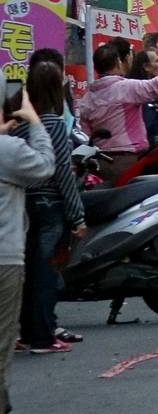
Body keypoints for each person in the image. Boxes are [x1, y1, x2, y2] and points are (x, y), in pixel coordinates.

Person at [0, 91, 54, 414]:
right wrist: (33, 120)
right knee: (2, 343)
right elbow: (44, 166)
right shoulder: (8, 150)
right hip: (5, 257)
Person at [18, 63, 84, 355]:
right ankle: (44, 336)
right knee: (46, 273)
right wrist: (77, 215)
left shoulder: (19, 123)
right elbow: (63, 174)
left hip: (25, 202)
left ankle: (28, 333)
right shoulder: (55, 124)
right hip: (50, 204)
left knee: (30, 272)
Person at [79, 39, 158, 156]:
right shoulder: (125, 87)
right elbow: (156, 87)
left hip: (101, 159)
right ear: (118, 62)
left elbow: (86, 134)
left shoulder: (87, 98)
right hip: (128, 158)